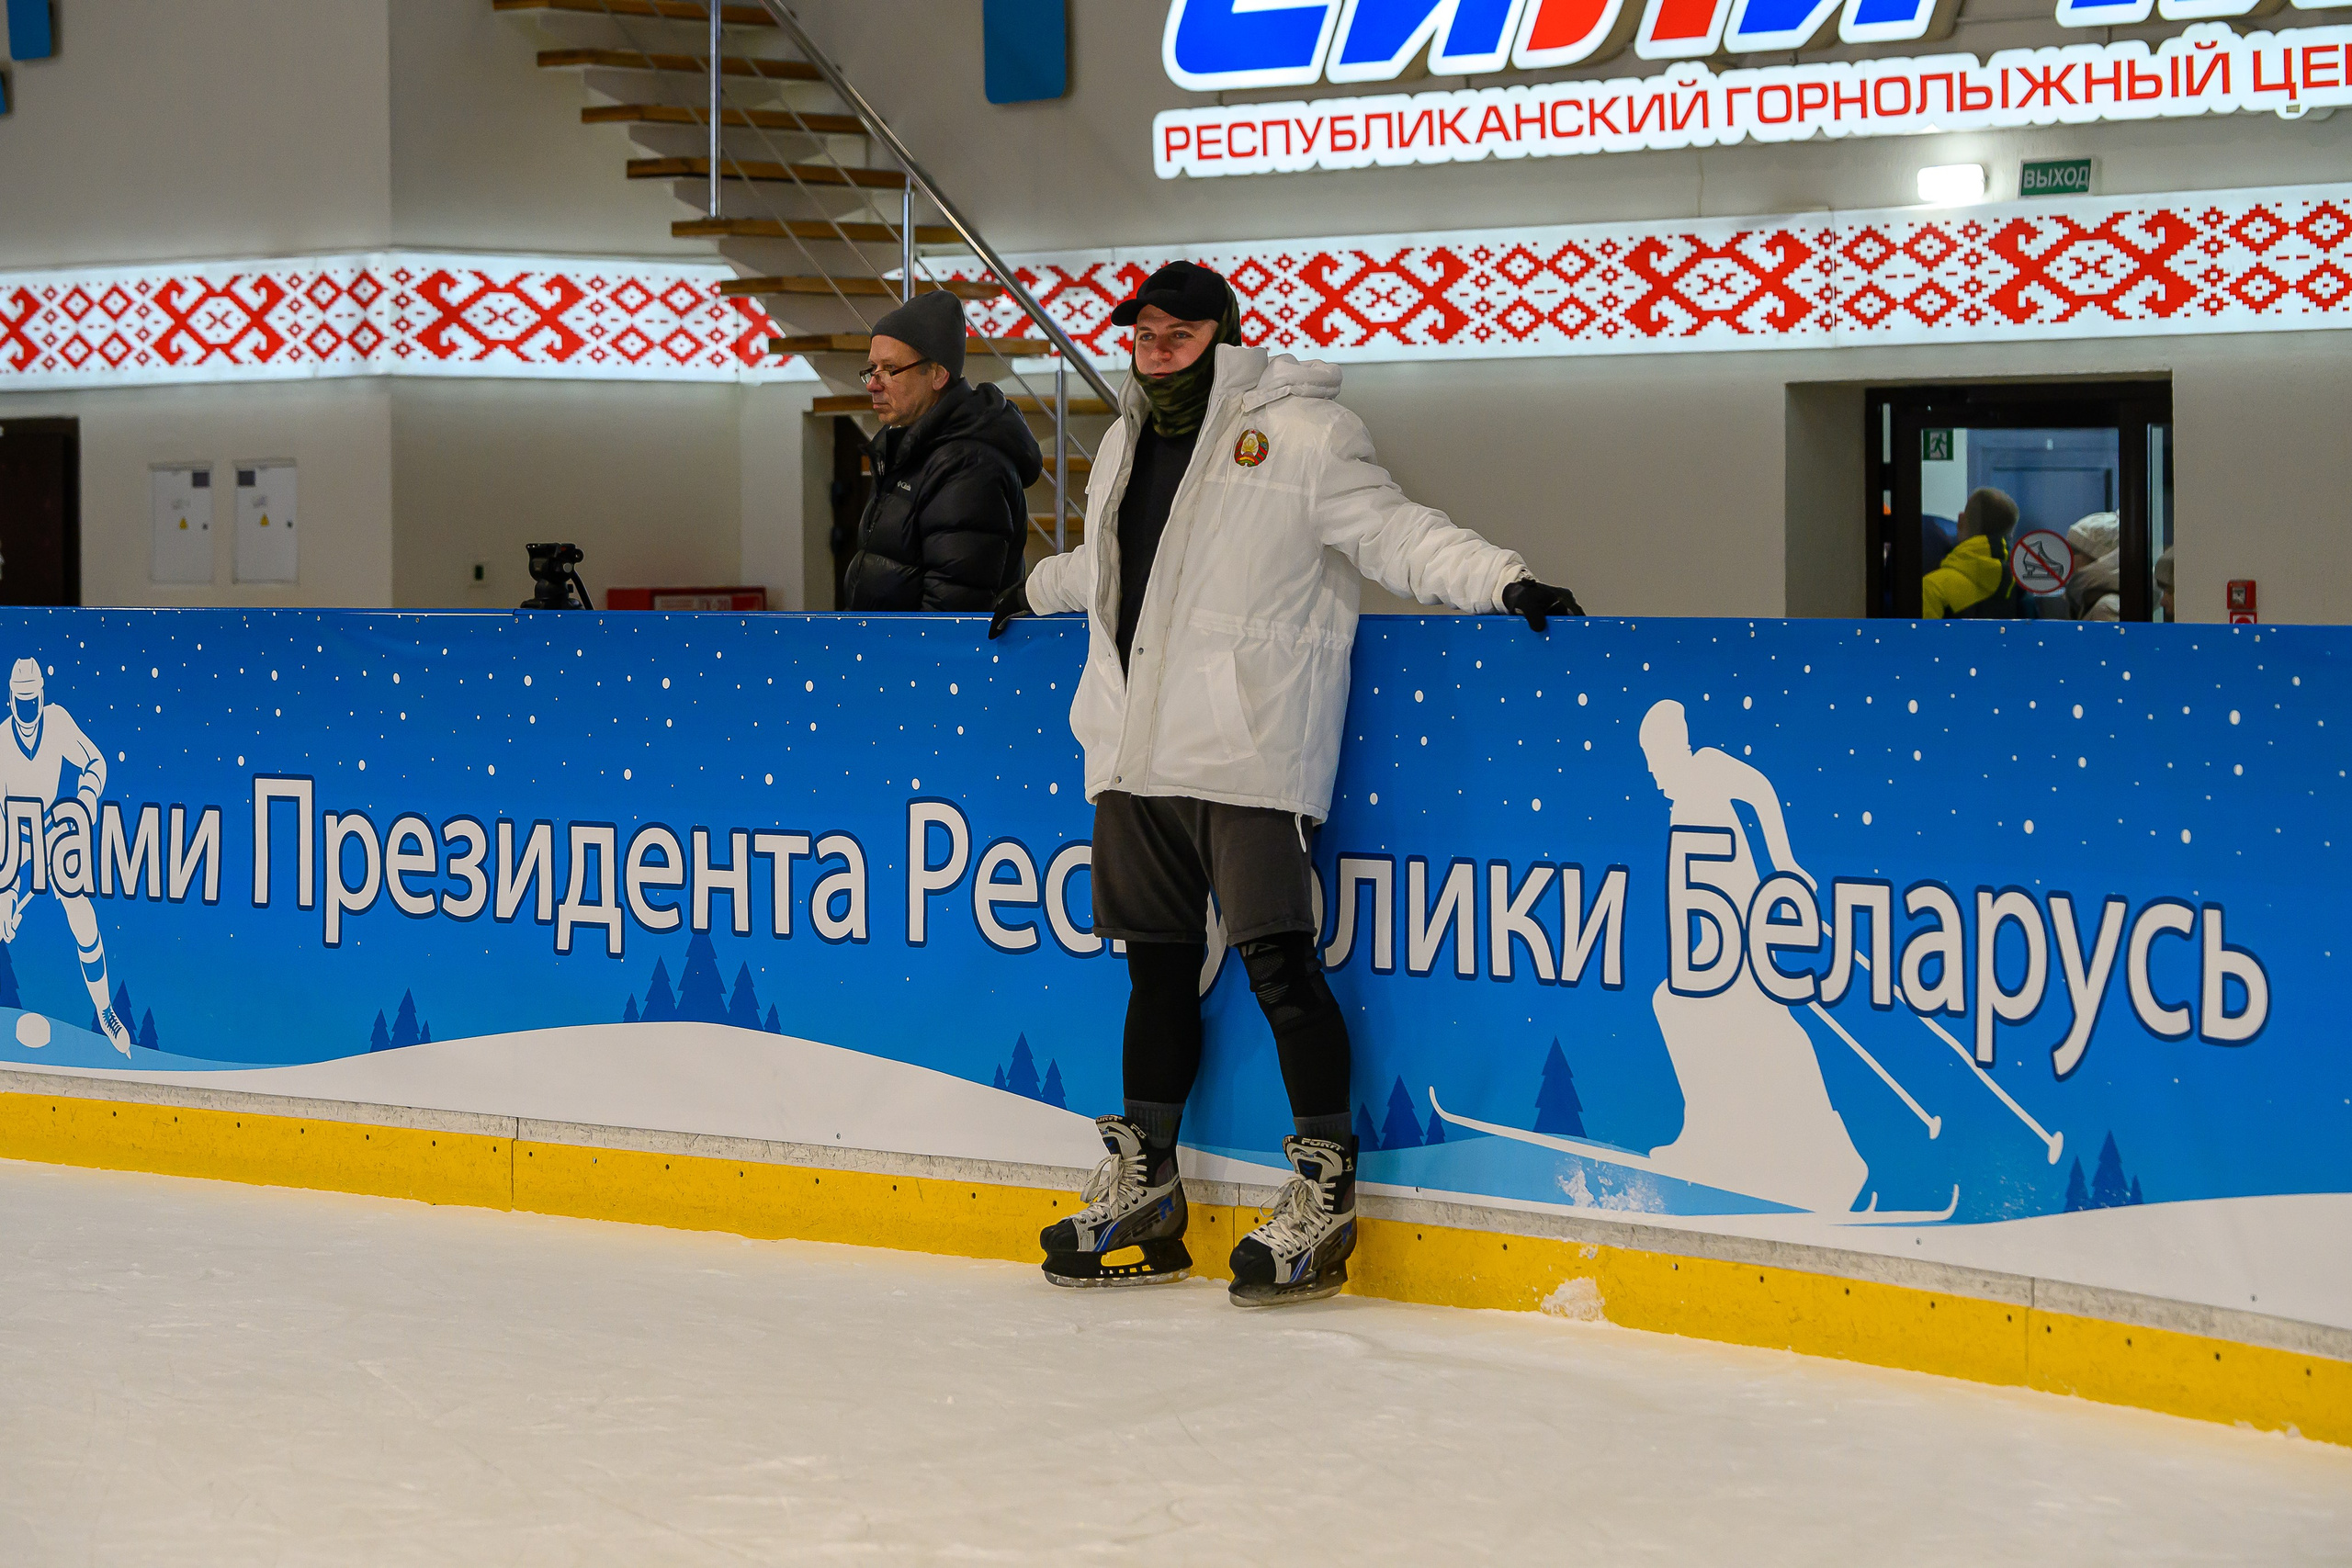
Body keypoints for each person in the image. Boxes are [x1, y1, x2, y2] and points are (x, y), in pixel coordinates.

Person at [989, 261, 1584, 1306]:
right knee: (1156, 969)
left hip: (1248, 748)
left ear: (1223, 335)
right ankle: (1146, 1190)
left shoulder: (1304, 437)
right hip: (1133, 751)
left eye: (1177, 329)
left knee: (1277, 966)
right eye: (1143, 328)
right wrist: (1032, 589)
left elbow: (1395, 534)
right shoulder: (1124, 439)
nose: (1155, 342)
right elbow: (1113, 566)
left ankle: (1324, 1196)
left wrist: (1498, 579)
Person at [839, 290, 1041, 611]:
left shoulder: (968, 466)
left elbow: (951, 615)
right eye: (872, 368)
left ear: (937, 374)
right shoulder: (906, 448)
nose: (872, 384)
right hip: (882, 654)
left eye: (889, 369)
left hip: (915, 659)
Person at [0, 659, 131, 1055]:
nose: (28, 712)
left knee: (82, 914)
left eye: (33, 701)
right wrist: (6, 887)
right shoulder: (2, 741)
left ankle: (105, 1010)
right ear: (10, 700)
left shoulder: (57, 722)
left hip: (55, 831)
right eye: (20, 703)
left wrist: (84, 803)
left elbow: (95, 761)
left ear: (42, 697)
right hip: (14, 839)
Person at [1920, 487, 2018, 619]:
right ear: (2010, 534)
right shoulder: (2021, 588)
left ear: (1961, 521)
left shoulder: (1932, 588)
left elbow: (1925, 637)